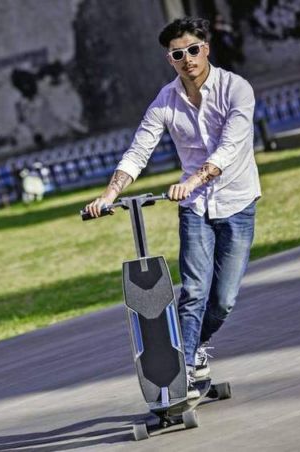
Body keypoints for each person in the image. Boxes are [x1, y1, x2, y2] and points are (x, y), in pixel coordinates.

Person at [85, 17, 261, 398]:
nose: (187, 59)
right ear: (170, 59)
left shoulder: (236, 89)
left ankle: (193, 350)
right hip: (195, 208)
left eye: (193, 50)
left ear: (206, 49)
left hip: (238, 201)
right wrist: (109, 196)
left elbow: (230, 148)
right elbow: (139, 150)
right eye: (178, 54)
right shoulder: (165, 101)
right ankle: (179, 375)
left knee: (224, 299)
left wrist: (192, 181)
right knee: (195, 290)